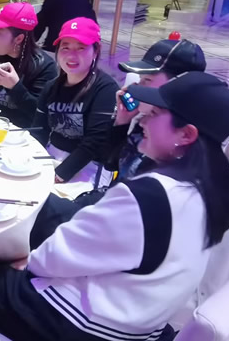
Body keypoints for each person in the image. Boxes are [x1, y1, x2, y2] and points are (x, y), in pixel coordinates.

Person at [0, 71, 229, 341]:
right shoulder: (211, 191)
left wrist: (26, 261)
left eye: (156, 114)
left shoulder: (151, 196)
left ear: (186, 134)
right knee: (39, 222)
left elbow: (55, 256)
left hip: (87, 332)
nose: (144, 119)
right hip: (138, 326)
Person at [30, 38, 208, 247]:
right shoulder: (145, 120)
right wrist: (122, 122)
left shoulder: (172, 136)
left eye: (147, 80)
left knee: (34, 214)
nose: (136, 86)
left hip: (116, 225)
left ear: (178, 85)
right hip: (106, 201)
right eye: (139, 79)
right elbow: (111, 163)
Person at [31, 17, 118, 183]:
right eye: (65, 47)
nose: (71, 56)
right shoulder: (51, 87)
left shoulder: (106, 89)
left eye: (81, 48)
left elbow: (94, 142)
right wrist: (30, 160)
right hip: (52, 156)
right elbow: (39, 130)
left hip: (88, 166)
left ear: (96, 51)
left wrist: (60, 174)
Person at [0, 2, 58, 127]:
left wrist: (15, 87)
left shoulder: (45, 67)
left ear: (18, 39)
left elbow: (41, 116)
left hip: (23, 134)